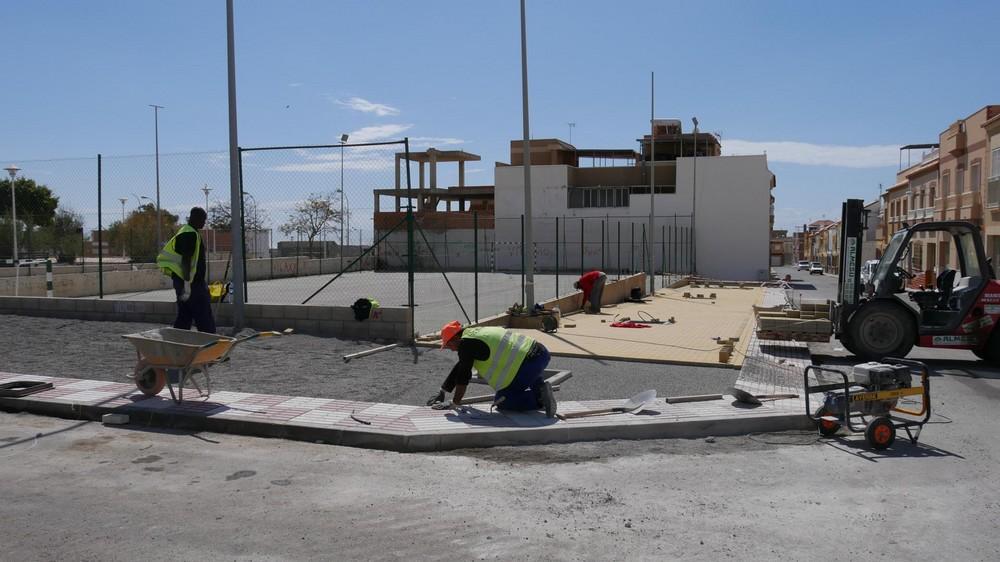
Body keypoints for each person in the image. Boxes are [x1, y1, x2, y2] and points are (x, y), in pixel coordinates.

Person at [428, 321, 556, 418]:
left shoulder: (465, 345)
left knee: (503, 401)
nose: (450, 349)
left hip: (527, 364)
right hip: (541, 353)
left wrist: (455, 403)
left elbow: (463, 375)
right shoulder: (474, 333)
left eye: (449, 345)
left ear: (456, 338)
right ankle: (540, 389)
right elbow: (462, 365)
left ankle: (539, 400)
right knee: (525, 374)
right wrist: (443, 391)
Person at [157, 207, 215, 333]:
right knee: (203, 316)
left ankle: (178, 342)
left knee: (185, 315)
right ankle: (211, 345)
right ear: (195, 218)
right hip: (190, 282)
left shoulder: (187, 231)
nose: (204, 223)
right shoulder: (189, 233)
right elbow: (186, 259)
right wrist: (188, 285)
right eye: (203, 219)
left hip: (186, 281)